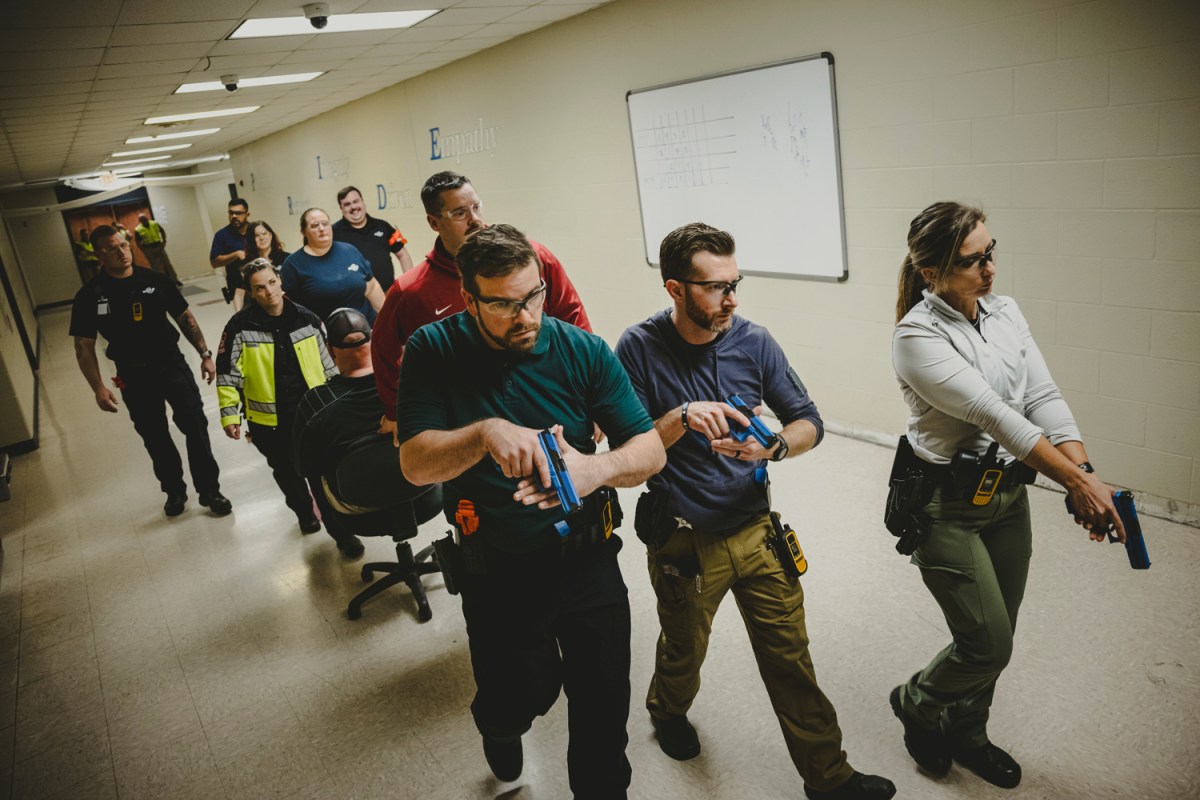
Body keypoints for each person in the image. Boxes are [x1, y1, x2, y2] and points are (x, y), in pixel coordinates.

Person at [614, 223, 896, 800]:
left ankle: (829, 776)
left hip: (756, 532)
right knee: (684, 648)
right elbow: (629, 457)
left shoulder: (754, 340)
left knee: (791, 658)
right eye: (716, 287)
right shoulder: (637, 348)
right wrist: (681, 417)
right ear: (675, 288)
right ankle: (666, 710)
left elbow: (809, 420)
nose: (732, 299)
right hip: (686, 542)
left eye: (735, 283)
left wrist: (774, 447)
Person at [396, 225, 665, 798]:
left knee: (602, 707)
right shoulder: (433, 349)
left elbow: (649, 449)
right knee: (523, 690)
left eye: (533, 295)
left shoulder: (582, 350)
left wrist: (593, 470)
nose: (526, 316)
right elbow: (415, 464)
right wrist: (486, 434)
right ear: (468, 300)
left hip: (587, 557)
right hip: (498, 568)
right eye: (504, 304)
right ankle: (501, 718)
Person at [888, 201, 1124, 789]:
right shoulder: (916, 337)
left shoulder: (1005, 312)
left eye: (990, 252)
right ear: (931, 273)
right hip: (944, 506)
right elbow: (996, 417)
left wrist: (1083, 470)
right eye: (972, 262)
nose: (989, 269)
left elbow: (1042, 397)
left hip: (1006, 498)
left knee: (999, 635)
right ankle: (916, 702)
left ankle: (969, 734)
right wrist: (1079, 484)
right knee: (987, 646)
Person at [371, 171, 591, 442]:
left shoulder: (534, 258)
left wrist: (591, 393)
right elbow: (383, 348)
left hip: (544, 398)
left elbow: (573, 317)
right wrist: (396, 412)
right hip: (466, 419)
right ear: (434, 222)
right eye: (460, 213)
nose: (475, 219)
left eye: (476, 207)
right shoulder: (412, 290)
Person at [69, 225, 232, 518]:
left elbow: (185, 318)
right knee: (155, 435)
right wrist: (98, 388)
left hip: (171, 364)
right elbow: (84, 346)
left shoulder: (156, 281)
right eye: (112, 248)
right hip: (133, 375)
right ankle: (174, 491)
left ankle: (210, 490)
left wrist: (205, 355)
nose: (122, 252)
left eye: (123, 245)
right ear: (99, 255)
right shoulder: (90, 296)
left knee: (195, 425)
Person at [215, 259, 362, 556]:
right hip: (269, 422)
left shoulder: (307, 319)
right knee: (287, 474)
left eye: (271, 283)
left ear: (280, 282)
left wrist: (341, 405)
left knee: (322, 478)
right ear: (252, 293)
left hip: (313, 415)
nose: (268, 292)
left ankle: (342, 534)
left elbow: (330, 366)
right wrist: (230, 414)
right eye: (259, 288)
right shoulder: (240, 327)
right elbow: (227, 373)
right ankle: (303, 513)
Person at [281, 208, 385, 325]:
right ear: (304, 232)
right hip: (327, 337)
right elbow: (289, 308)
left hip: (368, 327)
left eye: (325, 224)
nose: (321, 228)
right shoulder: (293, 265)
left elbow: (372, 287)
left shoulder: (350, 250)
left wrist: (388, 318)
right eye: (315, 225)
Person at [332, 185, 413, 288]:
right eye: (347, 204)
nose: (353, 207)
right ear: (341, 208)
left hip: (387, 294)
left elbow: (403, 254)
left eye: (356, 201)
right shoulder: (334, 233)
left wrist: (409, 283)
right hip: (355, 299)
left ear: (363, 202)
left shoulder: (383, 226)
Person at [230, 220, 291, 311]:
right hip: (258, 309)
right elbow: (239, 294)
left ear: (270, 235)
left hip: (285, 306)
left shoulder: (287, 259)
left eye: (264, 233)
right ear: (251, 240)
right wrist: (239, 316)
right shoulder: (245, 265)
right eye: (256, 236)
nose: (261, 238)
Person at [210, 197, 251, 304]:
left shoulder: (256, 230)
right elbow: (214, 262)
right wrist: (236, 254)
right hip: (238, 286)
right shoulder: (222, 235)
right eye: (231, 213)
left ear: (247, 214)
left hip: (259, 281)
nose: (234, 216)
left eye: (238, 213)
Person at [134, 213, 181, 285]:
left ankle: (174, 280)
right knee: (155, 266)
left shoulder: (154, 223)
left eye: (144, 218)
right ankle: (161, 282)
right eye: (142, 219)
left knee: (167, 263)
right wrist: (143, 250)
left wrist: (164, 241)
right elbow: (137, 241)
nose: (144, 220)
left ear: (147, 218)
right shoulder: (138, 229)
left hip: (159, 246)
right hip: (149, 248)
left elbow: (162, 231)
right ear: (140, 221)